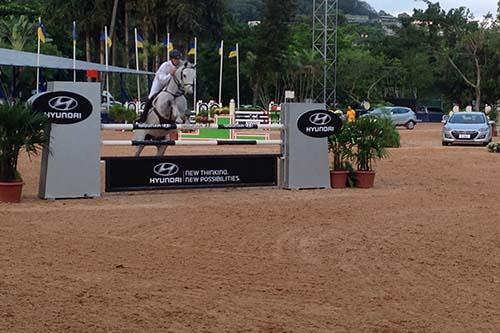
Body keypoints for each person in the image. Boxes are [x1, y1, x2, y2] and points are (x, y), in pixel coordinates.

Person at [138, 49, 183, 123]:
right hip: (159, 83)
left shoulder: (179, 65)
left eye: (178, 59)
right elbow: (162, 80)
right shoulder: (165, 65)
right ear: (172, 59)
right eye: (176, 59)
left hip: (170, 86)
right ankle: (143, 119)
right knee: (151, 97)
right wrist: (170, 74)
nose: (177, 61)